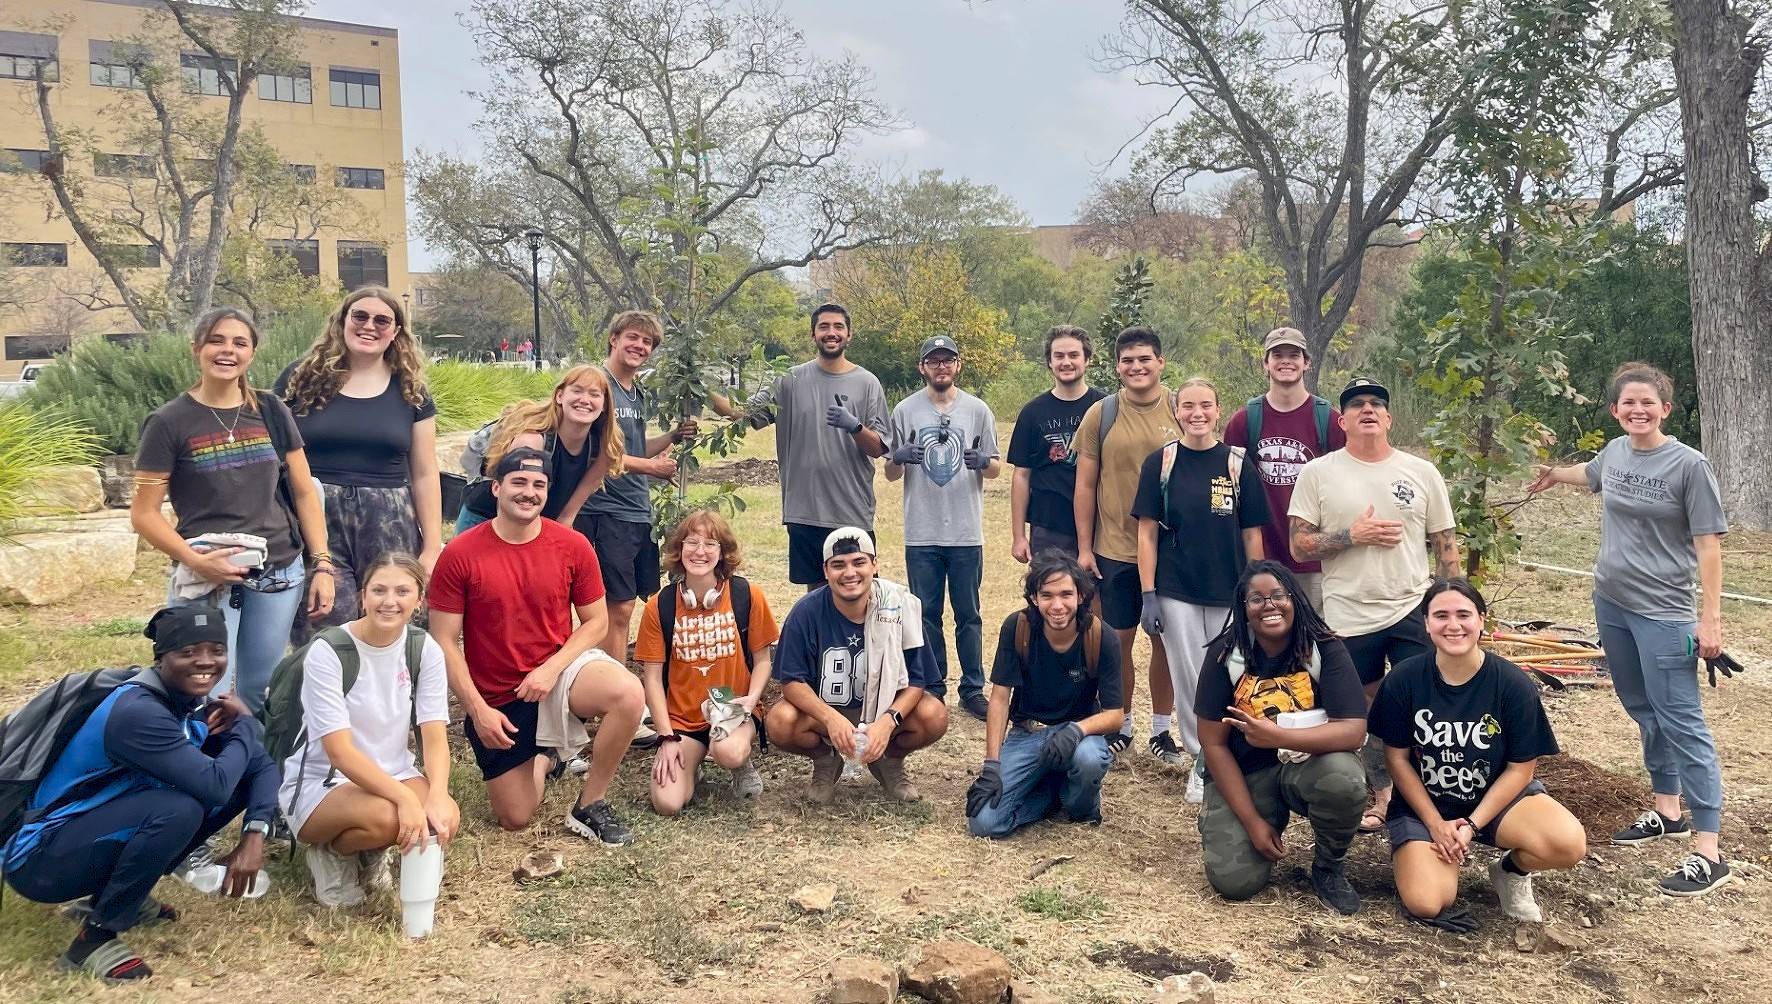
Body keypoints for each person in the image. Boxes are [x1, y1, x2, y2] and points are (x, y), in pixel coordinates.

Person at [1528, 362, 1731, 895]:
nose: (1637, 411)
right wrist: (1553, 472)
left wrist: (1710, 618)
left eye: (1648, 403)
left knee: (1682, 720)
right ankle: (1667, 810)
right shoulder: (1616, 453)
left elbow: (1709, 544)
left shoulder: (1689, 466)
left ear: (1665, 409)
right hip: (1611, 603)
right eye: (1627, 404)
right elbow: (1592, 474)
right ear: (1615, 410)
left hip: (1664, 613)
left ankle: (1708, 848)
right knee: (1641, 708)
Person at [2, 606, 277, 982]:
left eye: (216, 650)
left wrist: (255, 832)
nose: (205, 662)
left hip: (83, 835)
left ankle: (114, 897)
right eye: (188, 652)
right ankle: (94, 940)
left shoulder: (189, 703)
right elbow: (215, 784)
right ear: (161, 658)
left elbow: (260, 767)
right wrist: (245, 724)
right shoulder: (138, 712)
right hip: (40, 860)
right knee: (178, 808)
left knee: (226, 777)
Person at [428, 448, 645, 845]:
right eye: (519, 482)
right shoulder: (460, 553)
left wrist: (550, 669)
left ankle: (590, 804)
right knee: (515, 817)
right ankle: (546, 759)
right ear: (496, 488)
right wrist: (478, 710)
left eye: (539, 485)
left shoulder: (571, 545)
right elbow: (443, 639)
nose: (529, 493)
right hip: (500, 696)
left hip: (558, 675)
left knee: (629, 692)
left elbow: (596, 622)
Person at [131, 308, 334, 714]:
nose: (228, 351)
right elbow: (145, 514)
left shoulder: (272, 411)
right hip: (206, 576)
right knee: (202, 692)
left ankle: (254, 772)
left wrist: (324, 565)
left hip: (278, 572)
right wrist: (193, 560)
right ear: (197, 349)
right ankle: (204, 772)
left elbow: (304, 492)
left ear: (252, 354)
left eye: (240, 343)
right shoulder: (169, 423)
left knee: (260, 691)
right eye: (217, 341)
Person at [1289, 377, 1458, 832]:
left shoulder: (1421, 472)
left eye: (1377, 404)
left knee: (1418, 702)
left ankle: (1422, 796)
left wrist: (1454, 604)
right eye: (1357, 405)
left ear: (1389, 418)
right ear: (1341, 420)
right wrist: (1351, 536)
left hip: (1409, 606)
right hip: (1347, 610)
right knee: (1364, 707)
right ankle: (1382, 795)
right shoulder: (1319, 472)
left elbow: (1445, 543)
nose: (1368, 409)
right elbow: (1300, 546)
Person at [1370, 579, 1586, 926]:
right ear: (1426, 623)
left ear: (1482, 620)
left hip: (1496, 801)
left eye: (1463, 614)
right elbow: (1397, 760)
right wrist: (1436, 824)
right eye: (1440, 615)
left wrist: (1471, 825)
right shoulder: (1404, 680)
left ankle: (1509, 873)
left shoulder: (1512, 684)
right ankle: (1433, 854)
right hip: (1427, 806)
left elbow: (1520, 769)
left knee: (1567, 843)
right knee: (1427, 903)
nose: (1453, 625)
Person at [279, 553, 460, 908]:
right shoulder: (329, 651)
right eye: (379, 590)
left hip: (393, 772)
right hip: (324, 781)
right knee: (388, 818)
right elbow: (339, 752)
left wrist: (436, 794)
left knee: (445, 816)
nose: (389, 601)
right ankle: (331, 853)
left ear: (419, 601)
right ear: (363, 596)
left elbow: (434, 737)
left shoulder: (423, 649)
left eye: (402, 591)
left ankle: (370, 850)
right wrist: (406, 798)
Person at [1193, 561, 1368, 914]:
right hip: (1245, 772)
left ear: (1295, 599)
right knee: (1234, 883)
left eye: (1278, 595)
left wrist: (1276, 736)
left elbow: (1353, 729)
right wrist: (1254, 824)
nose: (1269, 605)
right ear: (1243, 609)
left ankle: (1328, 867)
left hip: (1306, 767)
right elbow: (1212, 744)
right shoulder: (1227, 655)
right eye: (1256, 599)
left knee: (1344, 779)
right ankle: (1259, 819)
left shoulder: (1324, 648)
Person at [276, 288, 441, 645]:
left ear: (396, 331)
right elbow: (271, 454)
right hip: (315, 517)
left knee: (390, 623)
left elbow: (426, 473)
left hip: (389, 521)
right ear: (342, 321)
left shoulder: (410, 389)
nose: (370, 326)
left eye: (382, 320)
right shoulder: (299, 379)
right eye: (360, 317)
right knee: (323, 629)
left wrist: (431, 546)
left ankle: (393, 700)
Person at [1133, 376, 1268, 801]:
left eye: (1205, 405)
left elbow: (1251, 535)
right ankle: (1203, 759)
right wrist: (1149, 592)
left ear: (1218, 409)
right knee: (1191, 677)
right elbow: (1147, 533)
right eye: (1188, 406)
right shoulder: (1162, 463)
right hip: (1177, 592)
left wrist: (1257, 590)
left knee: (1236, 673)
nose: (1197, 413)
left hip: (1230, 591)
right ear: (1176, 411)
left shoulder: (1237, 464)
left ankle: (1237, 756)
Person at [709, 304, 890, 591]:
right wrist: (699, 388)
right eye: (824, 327)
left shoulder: (867, 383)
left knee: (858, 596)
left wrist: (854, 426)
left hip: (851, 510)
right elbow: (745, 415)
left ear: (849, 334)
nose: (831, 333)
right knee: (816, 598)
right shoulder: (788, 380)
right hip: (804, 510)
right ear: (813, 334)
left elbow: (880, 447)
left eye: (838, 327)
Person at [765, 528, 950, 803]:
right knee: (780, 721)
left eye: (859, 562)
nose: (849, 573)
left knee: (934, 715)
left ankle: (889, 759)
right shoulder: (805, 612)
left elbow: (917, 681)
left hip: (884, 706)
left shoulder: (899, 605)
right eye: (838, 565)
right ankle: (826, 761)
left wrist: (887, 723)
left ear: (874, 565)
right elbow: (791, 682)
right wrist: (830, 719)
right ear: (826, 571)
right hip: (828, 709)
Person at [1071, 327, 1182, 763]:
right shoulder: (1102, 413)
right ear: (1117, 366)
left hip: (1171, 550)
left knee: (1166, 644)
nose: (1137, 367)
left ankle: (1162, 729)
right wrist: (1084, 547)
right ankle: (1122, 723)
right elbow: (1084, 484)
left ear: (1160, 362)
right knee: (1117, 641)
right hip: (1113, 548)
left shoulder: (1179, 407)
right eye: (1128, 361)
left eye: (1145, 359)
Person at [966, 552, 1124, 838]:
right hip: (1028, 732)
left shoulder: (1102, 636)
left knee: (1089, 759)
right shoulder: (1018, 627)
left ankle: (1081, 808)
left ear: (1080, 596)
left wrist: (1077, 730)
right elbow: (1000, 698)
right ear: (1034, 598)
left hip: (1079, 734)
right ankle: (1050, 798)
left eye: (1066, 594)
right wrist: (991, 766)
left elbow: (1115, 715)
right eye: (1047, 595)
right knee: (984, 823)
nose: (1057, 605)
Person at [886, 334, 1002, 719]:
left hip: (966, 532)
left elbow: (998, 467)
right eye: (933, 361)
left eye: (947, 360)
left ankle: (972, 687)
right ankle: (933, 686)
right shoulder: (905, 410)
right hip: (921, 532)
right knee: (926, 614)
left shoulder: (978, 410)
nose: (941, 367)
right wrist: (899, 457)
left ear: (958, 365)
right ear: (922, 367)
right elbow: (888, 470)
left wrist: (983, 461)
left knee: (968, 613)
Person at [636, 511, 780, 814]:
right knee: (668, 804)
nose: (700, 551)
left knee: (726, 750)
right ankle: (693, 764)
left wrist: (751, 700)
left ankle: (739, 764)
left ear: (722, 552)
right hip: (683, 721)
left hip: (733, 710)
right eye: (692, 542)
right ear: (679, 549)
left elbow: (764, 661)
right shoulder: (659, 606)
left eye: (710, 544)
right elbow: (652, 678)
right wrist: (666, 737)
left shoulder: (746, 595)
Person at [584, 311, 695, 661]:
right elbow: (593, 453)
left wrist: (672, 437)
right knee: (617, 608)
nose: (640, 346)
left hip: (637, 510)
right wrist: (650, 467)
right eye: (633, 337)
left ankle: (611, 683)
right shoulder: (597, 385)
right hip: (605, 510)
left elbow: (632, 449)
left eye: (647, 342)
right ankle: (614, 691)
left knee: (631, 603)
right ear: (614, 338)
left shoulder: (636, 393)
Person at [1224, 327, 1346, 610]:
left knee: (1318, 644)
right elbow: (1230, 493)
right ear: (1265, 363)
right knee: (1268, 642)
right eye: (1277, 355)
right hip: (1262, 559)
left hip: (1317, 562)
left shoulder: (1329, 420)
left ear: (1307, 362)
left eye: (1294, 354)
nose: (1286, 361)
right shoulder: (1244, 421)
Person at [454, 364, 625, 534]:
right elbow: (512, 503)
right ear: (559, 396)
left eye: (594, 394)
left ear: (604, 405)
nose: (584, 400)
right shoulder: (532, 441)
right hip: (488, 518)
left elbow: (566, 517)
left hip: (535, 522)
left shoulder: (601, 450)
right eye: (577, 391)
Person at [1008, 326, 1106, 563]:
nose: (1066, 362)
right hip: (1049, 524)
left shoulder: (1106, 406)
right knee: (1052, 596)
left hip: (1101, 524)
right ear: (1049, 362)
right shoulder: (1033, 412)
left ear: (1087, 360)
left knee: (1096, 598)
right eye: (1059, 356)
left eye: (1074, 355)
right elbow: (1021, 476)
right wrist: (1019, 535)